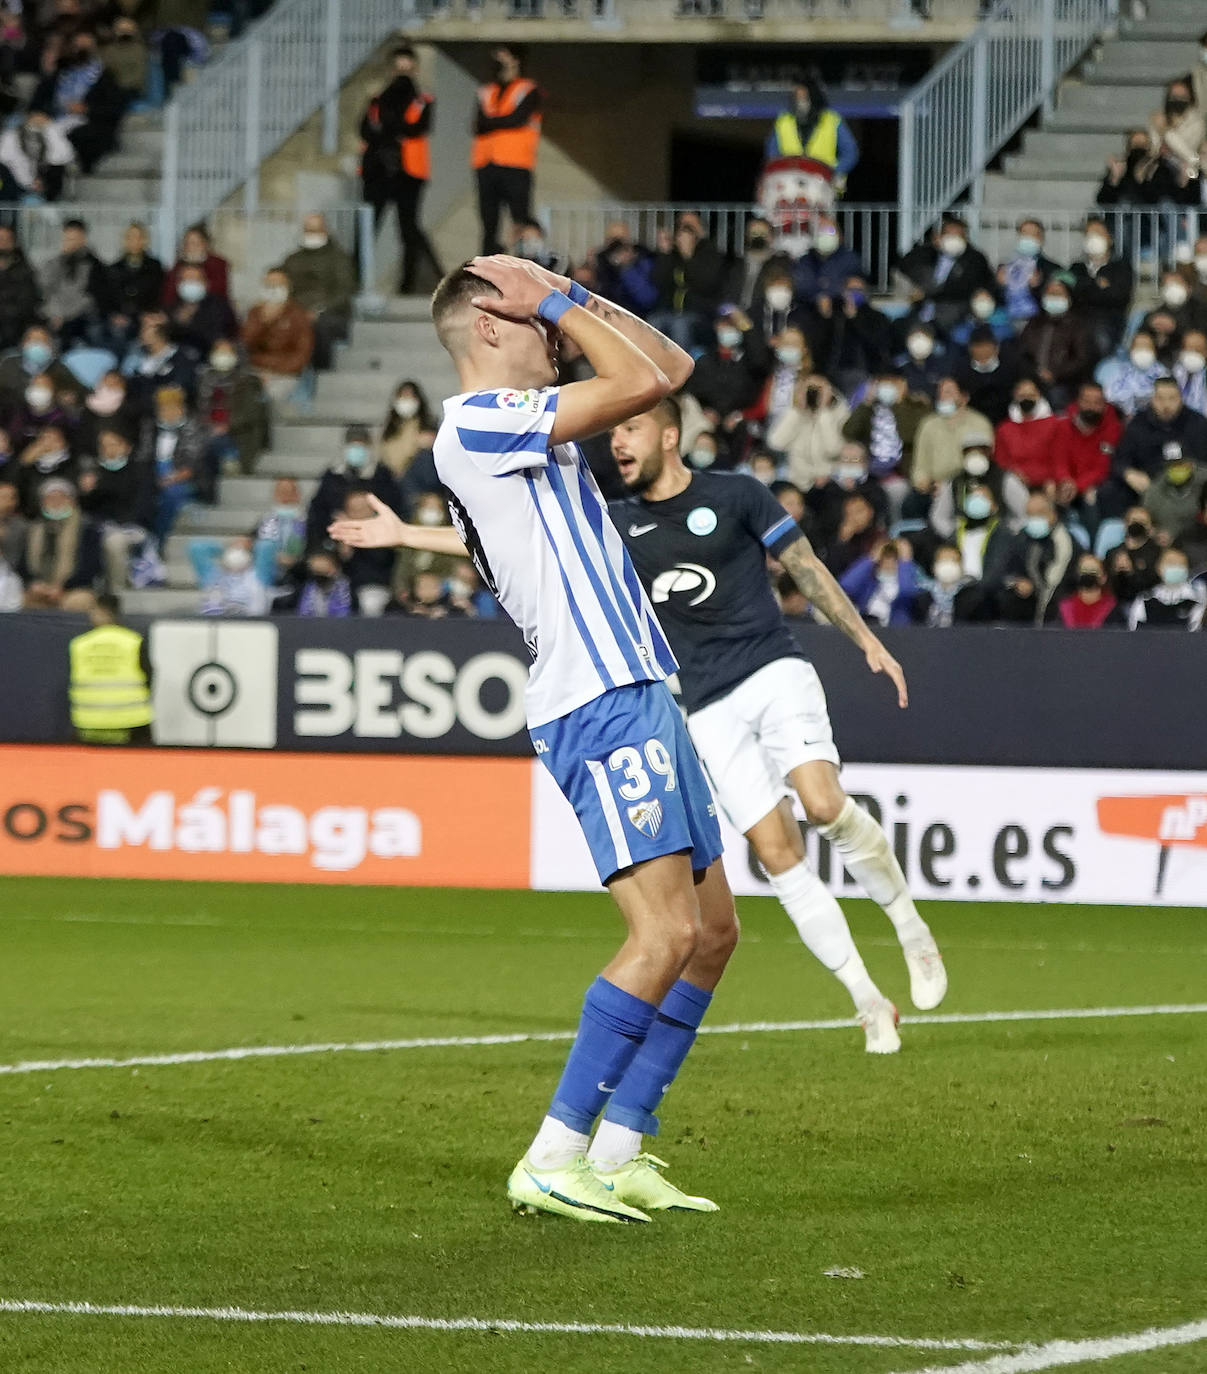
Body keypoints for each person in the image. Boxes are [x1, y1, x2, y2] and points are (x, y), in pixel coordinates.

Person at [330, 254, 739, 1223]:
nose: (552, 338)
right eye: (531, 323)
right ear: (487, 327)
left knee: (712, 935)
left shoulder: (521, 440)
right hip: (597, 697)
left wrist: (565, 293)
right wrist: (554, 299)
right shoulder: (477, 421)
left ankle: (621, 1148)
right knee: (666, 933)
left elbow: (666, 364)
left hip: (642, 687)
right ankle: (553, 1156)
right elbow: (643, 383)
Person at [607, 399, 942, 1052]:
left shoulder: (735, 494)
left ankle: (906, 923)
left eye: (630, 427)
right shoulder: (617, 523)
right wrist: (407, 536)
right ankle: (867, 1001)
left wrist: (864, 640)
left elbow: (806, 568)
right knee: (774, 853)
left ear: (669, 436)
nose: (617, 440)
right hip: (705, 706)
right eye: (614, 430)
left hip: (771, 671)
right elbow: (532, 547)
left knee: (821, 805)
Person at [360, 45, 444, 293]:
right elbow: (366, 129)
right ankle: (359, 281)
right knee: (367, 226)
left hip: (409, 173)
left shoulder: (422, 99)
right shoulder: (377, 100)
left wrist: (389, 129)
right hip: (377, 171)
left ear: (415, 69)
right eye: (398, 68)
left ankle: (408, 285)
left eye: (407, 67)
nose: (402, 73)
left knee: (408, 229)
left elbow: (416, 127)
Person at [473, 45, 543, 255]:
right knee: (488, 223)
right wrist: (501, 121)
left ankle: (526, 265)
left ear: (516, 60)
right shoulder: (486, 91)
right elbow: (477, 124)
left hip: (516, 163)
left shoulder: (528, 89)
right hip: (486, 162)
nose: (497, 60)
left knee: (521, 219)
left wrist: (492, 122)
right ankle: (486, 272)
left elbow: (517, 119)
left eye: (503, 55)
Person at [1110, 376, 1207, 514]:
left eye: (1172, 398)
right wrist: (1128, 473)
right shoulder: (1138, 424)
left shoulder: (1198, 423)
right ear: (1152, 399)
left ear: (1181, 398)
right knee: (1111, 491)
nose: (1166, 405)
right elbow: (1120, 459)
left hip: (1190, 488)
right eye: (1160, 398)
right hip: (1148, 486)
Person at [67, 593, 152, 744]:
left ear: (101, 611)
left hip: (89, 722)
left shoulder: (80, 644)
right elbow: (150, 678)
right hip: (131, 722)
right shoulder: (133, 641)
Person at [77, 426, 155, 590]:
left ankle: (118, 591)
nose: (109, 450)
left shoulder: (140, 471)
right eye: (104, 446)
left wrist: (121, 525)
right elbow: (87, 508)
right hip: (102, 526)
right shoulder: (96, 473)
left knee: (114, 541)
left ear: (126, 446)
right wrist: (87, 492)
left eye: (114, 444)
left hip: (134, 527)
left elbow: (144, 506)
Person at [280, 214, 356, 369]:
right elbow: (284, 286)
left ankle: (320, 372)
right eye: (308, 230)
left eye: (315, 230)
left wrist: (319, 310)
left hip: (331, 314)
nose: (311, 234)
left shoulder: (339, 258)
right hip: (297, 311)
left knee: (320, 327)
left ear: (325, 231)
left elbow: (345, 290)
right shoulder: (292, 260)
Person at [898, 216, 994, 336]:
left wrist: (928, 293)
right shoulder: (930, 254)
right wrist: (930, 246)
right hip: (923, 309)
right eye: (949, 235)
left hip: (955, 311)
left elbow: (965, 287)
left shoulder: (974, 259)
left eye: (957, 235)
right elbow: (904, 264)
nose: (953, 239)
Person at [765, 70, 858, 191]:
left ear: (813, 96)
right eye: (796, 97)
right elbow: (772, 154)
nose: (799, 102)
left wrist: (833, 172)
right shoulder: (784, 120)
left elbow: (850, 153)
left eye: (803, 96)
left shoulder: (832, 119)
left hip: (823, 186)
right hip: (790, 187)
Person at [993, 491, 1075, 625]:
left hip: (1056, 595)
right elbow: (1007, 568)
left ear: (1053, 514)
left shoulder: (1063, 540)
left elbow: (1058, 578)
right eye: (1030, 515)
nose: (1034, 519)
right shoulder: (1022, 538)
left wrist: (1036, 588)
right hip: (1027, 599)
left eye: (1040, 514)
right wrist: (1017, 582)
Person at [1016, 276, 1096, 411]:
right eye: (1050, 294)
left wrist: (1055, 373)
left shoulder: (1078, 326)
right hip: (1033, 379)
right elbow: (1022, 352)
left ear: (1068, 298)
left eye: (1058, 294)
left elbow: (1082, 359)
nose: (1054, 297)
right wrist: (1034, 372)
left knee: (1057, 397)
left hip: (1063, 382)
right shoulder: (1034, 323)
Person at [20, 476, 101, 608]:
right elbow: (22, 566)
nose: (55, 502)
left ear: (72, 501)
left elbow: (91, 567)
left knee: (79, 602)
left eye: (61, 497)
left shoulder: (87, 527)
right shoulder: (33, 529)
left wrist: (63, 587)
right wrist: (34, 583)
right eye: (50, 498)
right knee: (17, 601)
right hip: (39, 588)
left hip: (74, 588)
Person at [909, 377, 994, 496]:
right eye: (940, 393)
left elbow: (982, 462)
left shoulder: (979, 424)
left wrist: (950, 485)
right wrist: (925, 483)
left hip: (967, 484)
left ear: (964, 397)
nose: (943, 397)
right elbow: (920, 464)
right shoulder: (928, 424)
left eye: (948, 392)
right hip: (933, 486)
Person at [139, 385, 202, 543]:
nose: (168, 411)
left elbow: (192, 463)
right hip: (153, 471)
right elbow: (143, 456)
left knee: (171, 496)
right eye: (164, 407)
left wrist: (170, 478)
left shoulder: (192, 427)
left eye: (173, 407)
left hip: (180, 475)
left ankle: (157, 539)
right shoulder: (150, 426)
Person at [241, 270, 314, 404]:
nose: (273, 288)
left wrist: (274, 370)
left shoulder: (298, 314)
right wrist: (263, 321)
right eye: (269, 284)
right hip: (256, 372)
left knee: (271, 396)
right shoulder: (255, 312)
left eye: (278, 284)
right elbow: (245, 344)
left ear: (287, 288)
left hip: (285, 374)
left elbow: (302, 354)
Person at [767, 372, 849, 493]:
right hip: (798, 483)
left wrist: (824, 411)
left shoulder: (841, 411)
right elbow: (776, 443)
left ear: (829, 389)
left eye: (818, 388)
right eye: (809, 388)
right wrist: (797, 411)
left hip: (829, 483)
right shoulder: (795, 412)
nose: (813, 392)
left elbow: (834, 450)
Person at [1068, 219, 1133, 357]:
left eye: (1098, 233)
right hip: (1077, 322)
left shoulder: (1121, 267)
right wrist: (1097, 285)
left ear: (1109, 239)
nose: (1093, 237)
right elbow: (1072, 295)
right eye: (1089, 234)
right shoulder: (1076, 268)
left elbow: (1117, 297)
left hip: (1108, 322)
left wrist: (1086, 286)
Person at [39, 218, 106, 349]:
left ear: (83, 238)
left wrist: (65, 316)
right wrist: (55, 313)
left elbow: (90, 297)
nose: (70, 243)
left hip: (81, 320)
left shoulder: (95, 266)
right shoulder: (54, 263)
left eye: (74, 238)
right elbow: (44, 288)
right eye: (67, 238)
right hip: (54, 317)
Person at [103, 222, 164, 354]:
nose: (134, 241)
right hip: (120, 317)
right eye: (130, 237)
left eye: (138, 237)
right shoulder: (114, 268)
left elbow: (159, 294)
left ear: (145, 240)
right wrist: (115, 314)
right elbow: (108, 297)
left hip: (146, 316)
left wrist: (149, 313)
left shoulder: (155, 267)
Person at [994, 377, 1060, 491]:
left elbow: (1060, 458)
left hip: (1049, 484)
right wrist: (1013, 472)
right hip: (1016, 483)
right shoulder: (1004, 428)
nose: (1027, 399)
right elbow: (1001, 460)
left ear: (1039, 395)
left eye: (1031, 395)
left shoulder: (1055, 424)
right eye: (1022, 395)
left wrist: (1052, 479)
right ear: (1015, 397)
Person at [122, 313, 195, 415]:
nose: (141, 333)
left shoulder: (181, 357)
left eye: (145, 329)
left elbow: (179, 389)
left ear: (160, 333)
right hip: (143, 415)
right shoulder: (137, 359)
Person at [840, 538, 922, 627]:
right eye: (885, 556)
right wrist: (871, 559)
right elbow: (846, 586)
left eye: (894, 557)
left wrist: (905, 561)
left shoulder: (906, 576)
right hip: (869, 626)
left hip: (896, 632)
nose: (888, 561)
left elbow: (907, 591)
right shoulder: (869, 581)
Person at [996, 217, 1061, 325]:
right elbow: (994, 296)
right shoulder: (1004, 267)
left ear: (1041, 239)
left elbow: (1058, 296)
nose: (1028, 238)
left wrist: (1038, 285)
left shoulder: (1052, 268)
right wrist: (999, 283)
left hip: (1038, 323)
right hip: (1008, 321)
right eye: (1025, 234)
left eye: (1033, 234)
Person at [0, 108, 73, 202]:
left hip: (40, 182)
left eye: (42, 116)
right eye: (36, 115)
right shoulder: (11, 135)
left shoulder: (50, 132)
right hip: (14, 181)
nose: (38, 118)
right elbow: (4, 158)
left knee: (57, 169)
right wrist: (29, 182)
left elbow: (64, 156)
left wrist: (49, 127)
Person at [166, 263, 238, 357]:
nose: (190, 283)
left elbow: (224, 335)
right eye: (186, 279)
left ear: (205, 283)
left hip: (209, 357)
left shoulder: (219, 305)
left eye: (195, 279)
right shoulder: (170, 307)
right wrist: (179, 321)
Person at [955, 325, 1020, 427]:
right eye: (978, 346)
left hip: (1007, 422)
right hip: (973, 423)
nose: (982, 350)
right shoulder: (962, 372)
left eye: (986, 345)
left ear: (995, 347)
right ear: (970, 349)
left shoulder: (1010, 368)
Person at [1127, 546, 1205, 629]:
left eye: (1180, 564)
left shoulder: (1197, 599)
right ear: (1159, 568)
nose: (1175, 567)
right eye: (1170, 564)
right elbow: (1133, 631)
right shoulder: (1146, 599)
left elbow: (1197, 631)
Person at [592, 223, 659, 319]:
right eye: (614, 240)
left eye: (621, 240)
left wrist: (628, 268)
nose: (617, 246)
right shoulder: (601, 260)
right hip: (607, 311)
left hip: (637, 312)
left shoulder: (643, 257)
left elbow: (647, 298)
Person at [792, 215, 862, 306]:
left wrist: (832, 297)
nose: (825, 235)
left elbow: (859, 288)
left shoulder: (850, 259)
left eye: (830, 231)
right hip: (811, 309)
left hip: (841, 309)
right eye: (820, 232)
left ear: (839, 235)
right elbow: (801, 288)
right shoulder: (805, 261)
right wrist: (819, 297)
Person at [1143, 442, 1207, 542]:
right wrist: (1157, 533)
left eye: (1180, 463)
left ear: (1191, 463)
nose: (1175, 468)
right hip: (1170, 543)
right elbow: (1147, 519)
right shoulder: (1155, 491)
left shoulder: (1204, 480)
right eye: (1171, 465)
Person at [378, 379, 437, 482]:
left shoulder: (428, 425)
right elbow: (386, 454)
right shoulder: (389, 427)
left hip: (418, 479)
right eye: (403, 396)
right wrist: (416, 443)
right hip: (392, 479)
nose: (406, 400)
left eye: (410, 396)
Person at [163, 225, 231, 310]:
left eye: (195, 243)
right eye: (187, 243)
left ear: (205, 244)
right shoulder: (179, 265)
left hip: (212, 309)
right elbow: (169, 293)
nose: (191, 247)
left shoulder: (218, 263)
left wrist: (200, 283)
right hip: (183, 310)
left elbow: (220, 289)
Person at [1101, 329, 1164, 418]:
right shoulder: (1110, 369)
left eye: (1147, 346)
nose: (1142, 350)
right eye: (1138, 346)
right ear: (1130, 348)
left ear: (1154, 350)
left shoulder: (1163, 372)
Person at [1104, 505, 1163, 601]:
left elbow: (1155, 584)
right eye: (1134, 520)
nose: (1137, 525)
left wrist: (1132, 572)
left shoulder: (1157, 553)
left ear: (1150, 527)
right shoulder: (1112, 553)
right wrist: (1117, 573)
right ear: (1125, 524)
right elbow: (1108, 586)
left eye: (1143, 522)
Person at [1048, 552, 1122, 628]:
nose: (1088, 574)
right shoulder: (1065, 608)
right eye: (1084, 571)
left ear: (1103, 577)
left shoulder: (1112, 608)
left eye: (1093, 571)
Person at [0, 227, 41, 356]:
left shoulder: (25, 271)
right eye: (0, 239)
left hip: (17, 326)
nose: (3, 243)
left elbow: (28, 302)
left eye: (7, 239)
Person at [1174, 328, 1207, 415]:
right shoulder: (1172, 373)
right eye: (1189, 350)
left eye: (1198, 350)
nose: (1193, 354)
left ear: (1205, 352)